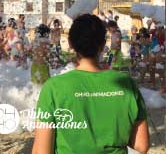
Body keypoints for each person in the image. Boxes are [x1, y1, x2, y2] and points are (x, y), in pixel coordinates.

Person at [33, 14, 149, 154]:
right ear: (102, 44)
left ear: (70, 44)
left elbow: (41, 151)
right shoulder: (126, 84)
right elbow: (141, 146)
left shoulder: (53, 88)